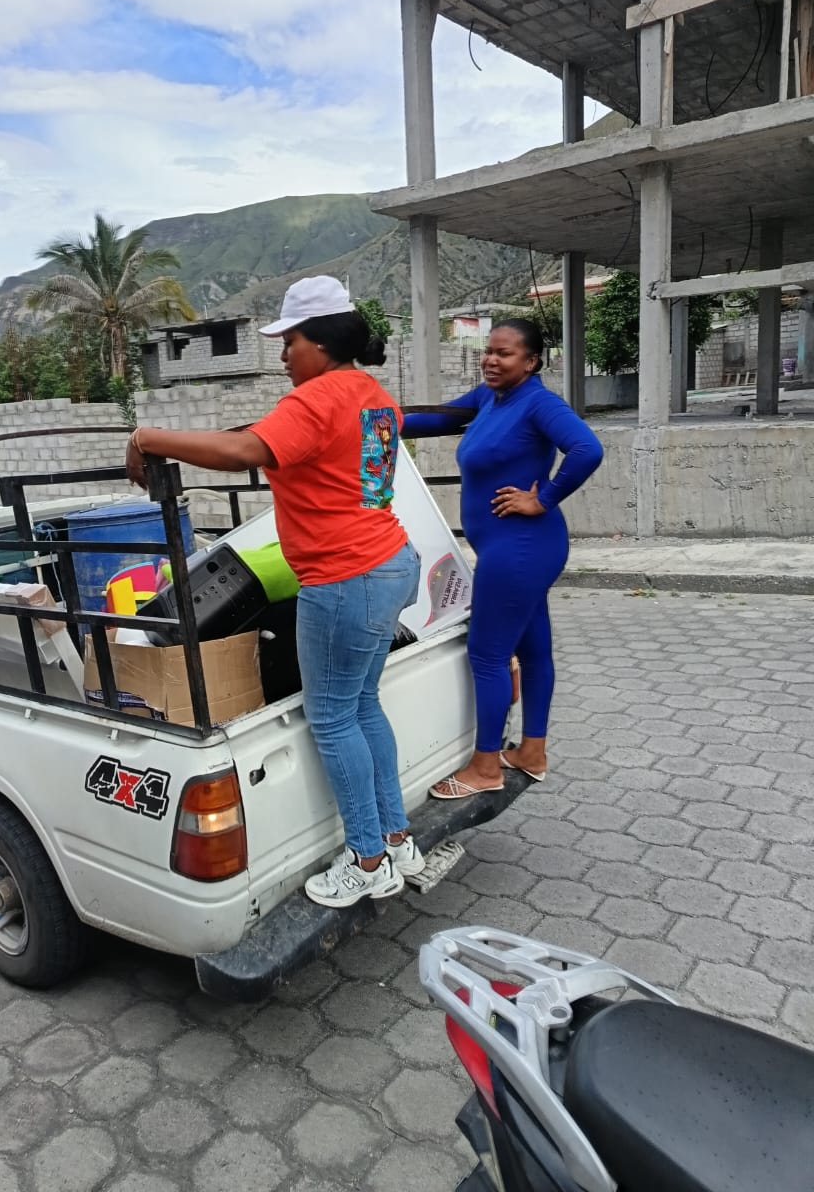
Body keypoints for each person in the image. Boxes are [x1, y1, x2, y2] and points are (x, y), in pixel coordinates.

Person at [125, 275, 422, 908]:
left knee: (332, 717)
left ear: (321, 342)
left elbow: (243, 452)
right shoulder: (373, 395)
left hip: (344, 579)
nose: (284, 354)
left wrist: (148, 437)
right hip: (391, 561)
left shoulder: (315, 398)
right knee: (363, 706)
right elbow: (345, 471)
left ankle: (367, 860)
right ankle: (397, 839)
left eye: (290, 341)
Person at [402, 318, 603, 798]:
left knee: (488, 654)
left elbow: (587, 449)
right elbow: (438, 419)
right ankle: (532, 753)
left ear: (531, 362)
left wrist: (543, 498)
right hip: (514, 548)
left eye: (504, 354)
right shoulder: (489, 398)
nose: (490, 360)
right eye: (488, 351)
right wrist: (373, 417)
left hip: (520, 548)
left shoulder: (539, 403)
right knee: (533, 651)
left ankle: (485, 768)